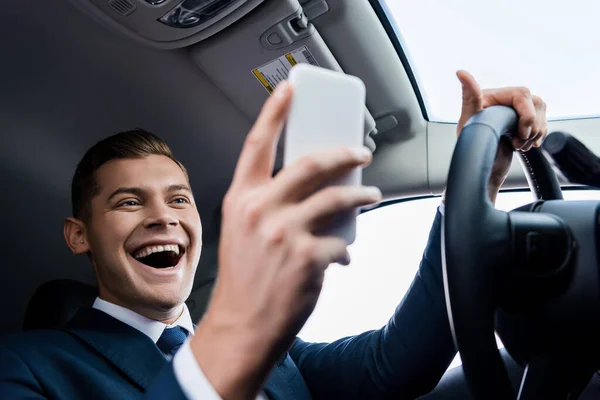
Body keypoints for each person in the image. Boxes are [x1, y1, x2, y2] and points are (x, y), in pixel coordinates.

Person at [0, 71, 548, 399]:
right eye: (128, 202)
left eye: (179, 199)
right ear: (79, 235)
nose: (163, 216)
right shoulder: (27, 367)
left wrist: (473, 183)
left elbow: (396, 364)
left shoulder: (282, 357)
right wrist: (229, 340)